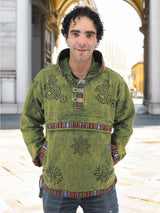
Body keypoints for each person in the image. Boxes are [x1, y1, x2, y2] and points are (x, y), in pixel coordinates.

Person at [20, 6, 135, 213]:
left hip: (101, 185)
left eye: (89, 35)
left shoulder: (115, 82)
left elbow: (126, 120)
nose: (82, 42)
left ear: (97, 39)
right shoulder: (45, 80)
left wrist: (115, 151)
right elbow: (29, 120)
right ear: (66, 37)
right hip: (56, 185)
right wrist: (40, 152)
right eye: (75, 33)